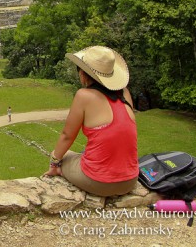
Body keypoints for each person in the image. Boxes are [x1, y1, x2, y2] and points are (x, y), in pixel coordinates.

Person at [44, 46, 138, 197]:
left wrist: (54, 163)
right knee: (83, 153)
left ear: (83, 74)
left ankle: (59, 170)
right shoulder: (125, 93)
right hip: (130, 181)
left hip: (100, 182)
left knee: (60, 154)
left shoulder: (84, 96)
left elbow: (67, 135)